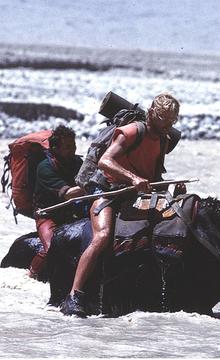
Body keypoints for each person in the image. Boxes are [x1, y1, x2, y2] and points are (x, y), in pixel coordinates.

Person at [61, 92, 184, 317]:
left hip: (133, 194)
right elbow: (105, 161)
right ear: (151, 114)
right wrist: (133, 178)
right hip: (107, 190)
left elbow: (153, 179)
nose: (166, 125)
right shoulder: (132, 131)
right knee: (103, 236)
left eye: (171, 121)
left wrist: (171, 189)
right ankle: (74, 295)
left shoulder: (163, 140)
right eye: (163, 119)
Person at [29, 125, 86, 279]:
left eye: (73, 145)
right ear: (54, 148)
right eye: (68, 147)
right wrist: (92, 184)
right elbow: (68, 194)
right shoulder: (45, 167)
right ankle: (32, 273)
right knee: (51, 248)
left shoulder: (76, 162)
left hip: (71, 212)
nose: (73, 149)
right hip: (48, 214)